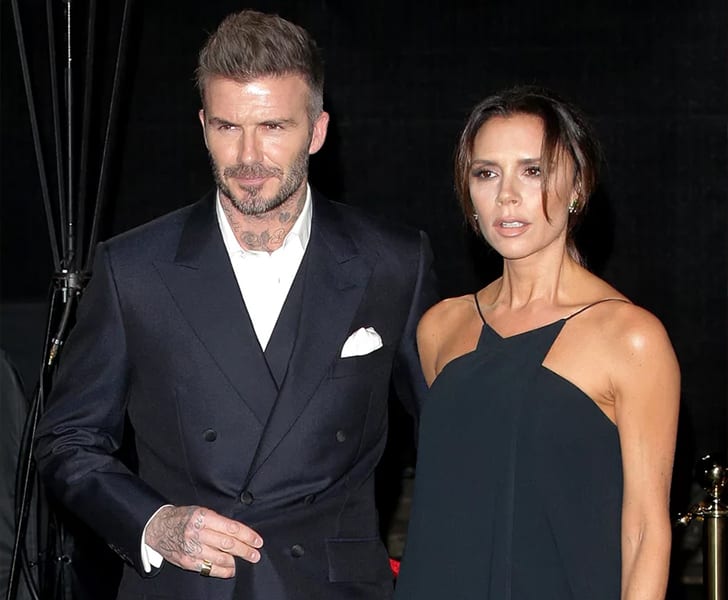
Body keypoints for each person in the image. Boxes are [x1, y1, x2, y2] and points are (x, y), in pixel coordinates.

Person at [35, 10, 437, 600]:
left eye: (273, 126)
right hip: (190, 586)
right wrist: (153, 523)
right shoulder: (133, 269)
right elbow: (67, 440)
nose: (249, 156)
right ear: (204, 127)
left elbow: (450, 440)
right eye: (228, 127)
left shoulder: (394, 262)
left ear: (317, 131)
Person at [394, 86, 679, 599]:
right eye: (486, 173)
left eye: (533, 171)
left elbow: (644, 532)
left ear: (577, 186)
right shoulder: (441, 328)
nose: (507, 195)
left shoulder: (631, 339)